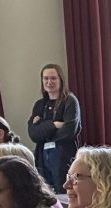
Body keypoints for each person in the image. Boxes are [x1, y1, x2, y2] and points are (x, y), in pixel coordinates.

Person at [29, 63, 82, 193]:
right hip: (42, 157)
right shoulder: (40, 104)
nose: (49, 82)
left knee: (65, 192)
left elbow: (68, 132)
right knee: (45, 193)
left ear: (60, 80)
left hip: (64, 156)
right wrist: (54, 125)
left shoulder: (70, 101)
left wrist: (43, 129)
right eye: (45, 78)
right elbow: (33, 134)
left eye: (53, 78)